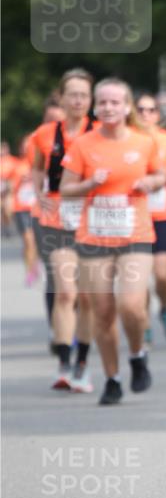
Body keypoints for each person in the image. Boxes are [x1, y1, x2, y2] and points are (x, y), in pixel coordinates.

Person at [60, 78, 165, 406]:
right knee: (102, 312)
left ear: (126, 107)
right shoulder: (83, 144)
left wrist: (150, 181)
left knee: (132, 305)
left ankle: (137, 354)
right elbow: (65, 188)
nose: (107, 108)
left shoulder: (143, 141)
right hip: (95, 237)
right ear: (96, 106)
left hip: (135, 234)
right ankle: (113, 378)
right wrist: (90, 182)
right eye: (102, 102)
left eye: (114, 102)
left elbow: (161, 175)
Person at [31, 70, 95, 391]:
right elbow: (37, 168)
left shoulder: (99, 133)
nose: (78, 100)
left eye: (84, 95)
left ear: (91, 99)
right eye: (72, 94)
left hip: (94, 223)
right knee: (65, 290)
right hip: (56, 220)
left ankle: (83, 361)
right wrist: (38, 194)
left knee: (87, 296)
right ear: (63, 97)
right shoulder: (45, 134)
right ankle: (64, 360)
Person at [135, 93, 166, 344]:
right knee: (140, 277)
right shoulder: (128, 140)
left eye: (151, 109)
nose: (146, 114)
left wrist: (163, 178)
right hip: (135, 217)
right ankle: (143, 322)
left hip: (163, 216)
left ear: (158, 113)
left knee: (162, 275)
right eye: (141, 109)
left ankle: (163, 308)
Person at [30, 96, 65, 347]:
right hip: (45, 216)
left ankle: (73, 322)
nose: (54, 124)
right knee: (55, 275)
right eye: (49, 119)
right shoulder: (39, 138)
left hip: (78, 216)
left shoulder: (84, 138)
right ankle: (57, 328)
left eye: (57, 119)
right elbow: (34, 170)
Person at [11, 136, 39, 286]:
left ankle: (34, 265)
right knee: (28, 241)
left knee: (35, 241)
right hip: (21, 208)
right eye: (24, 146)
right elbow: (9, 188)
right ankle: (29, 270)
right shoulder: (16, 165)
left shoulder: (40, 165)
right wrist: (21, 180)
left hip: (37, 208)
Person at [1, 141, 19, 236]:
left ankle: (8, 226)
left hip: (9, 189)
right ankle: (4, 228)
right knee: (2, 211)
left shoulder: (14, 161)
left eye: (4, 148)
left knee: (8, 210)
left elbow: (16, 175)